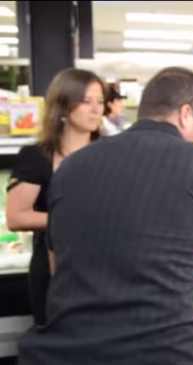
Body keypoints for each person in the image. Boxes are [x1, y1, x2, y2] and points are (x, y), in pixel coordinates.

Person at [17, 67, 193, 365]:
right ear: (185, 114)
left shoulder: (72, 167)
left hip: (61, 354)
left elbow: (56, 264)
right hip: (162, 353)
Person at [6, 68, 104, 326]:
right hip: (54, 270)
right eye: (86, 101)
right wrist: (69, 220)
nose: (96, 110)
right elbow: (16, 216)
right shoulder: (37, 156)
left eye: (100, 101)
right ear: (63, 105)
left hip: (103, 267)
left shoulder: (109, 154)